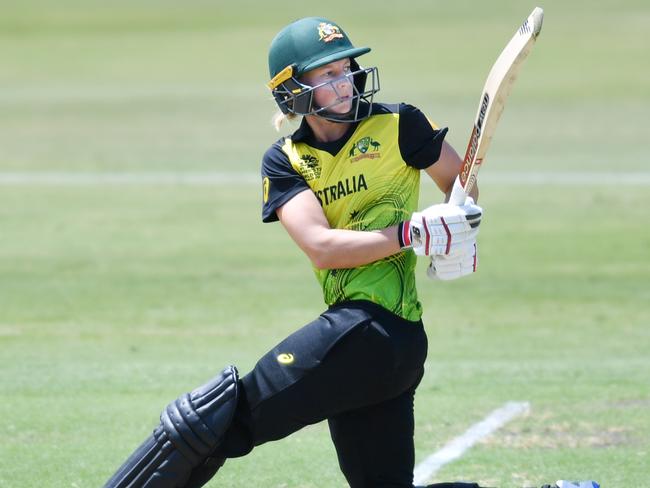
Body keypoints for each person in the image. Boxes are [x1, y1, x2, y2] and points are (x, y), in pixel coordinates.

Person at [103, 17, 485, 488]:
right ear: (294, 91)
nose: (343, 81)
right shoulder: (285, 160)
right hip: (376, 346)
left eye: (345, 68)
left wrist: (457, 232)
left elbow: (462, 189)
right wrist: (413, 233)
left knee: (222, 418)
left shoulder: (400, 123)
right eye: (327, 75)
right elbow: (322, 248)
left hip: (374, 328)